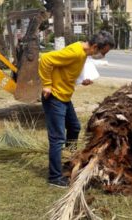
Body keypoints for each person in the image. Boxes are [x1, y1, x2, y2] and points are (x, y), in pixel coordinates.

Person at [38, 31, 115, 188]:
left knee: (74, 127)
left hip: (65, 97)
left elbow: (67, 71)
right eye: (103, 52)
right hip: (55, 98)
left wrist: (81, 80)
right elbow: (45, 59)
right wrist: (46, 84)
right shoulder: (75, 52)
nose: (103, 56)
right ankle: (54, 177)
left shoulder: (83, 54)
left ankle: (69, 160)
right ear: (94, 46)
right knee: (58, 138)